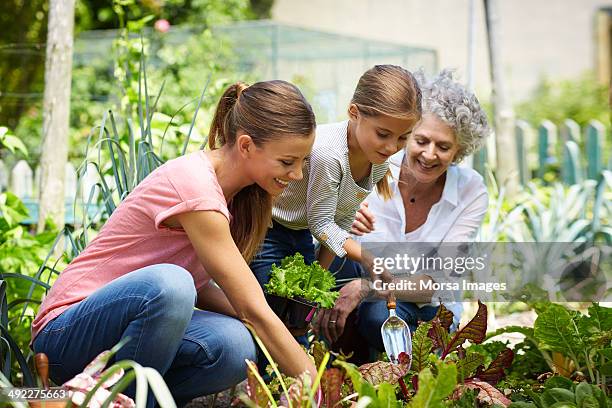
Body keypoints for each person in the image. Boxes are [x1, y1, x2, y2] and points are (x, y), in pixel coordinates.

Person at [31, 80, 319, 407]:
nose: (296, 174)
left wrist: (262, 321)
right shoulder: (195, 187)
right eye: (287, 162)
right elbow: (235, 303)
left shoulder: (238, 197)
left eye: (302, 162)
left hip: (128, 327)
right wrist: (315, 385)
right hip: (65, 333)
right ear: (246, 145)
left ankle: (117, 401)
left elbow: (201, 287)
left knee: (234, 345)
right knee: (172, 285)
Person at [317, 70, 491, 353]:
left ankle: (418, 364)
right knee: (370, 308)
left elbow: (437, 283)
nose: (430, 154)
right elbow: (324, 229)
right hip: (366, 295)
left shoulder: (470, 191)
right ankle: (350, 358)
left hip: (429, 308)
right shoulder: (376, 166)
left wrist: (366, 289)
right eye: (421, 141)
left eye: (444, 147)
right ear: (407, 136)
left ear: (459, 150)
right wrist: (343, 214)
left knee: (379, 318)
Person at [250, 64, 422, 300]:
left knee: (301, 311)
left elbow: (340, 222)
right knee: (269, 310)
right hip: (268, 229)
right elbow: (321, 224)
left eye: (403, 137)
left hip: (300, 234)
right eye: (382, 134)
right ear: (354, 112)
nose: (392, 147)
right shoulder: (330, 154)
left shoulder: (379, 160)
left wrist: (316, 280)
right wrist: (368, 258)